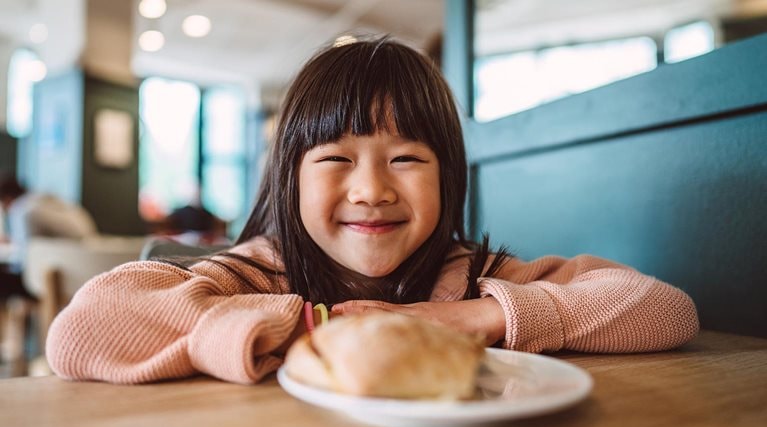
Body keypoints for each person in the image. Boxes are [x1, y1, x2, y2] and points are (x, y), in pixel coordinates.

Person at [45, 38, 699, 385]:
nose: (371, 189)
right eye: (335, 160)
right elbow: (81, 332)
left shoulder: (469, 273)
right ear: (288, 179)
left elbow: (665, 308)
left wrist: (464, 317)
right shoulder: (257, 270)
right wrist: (313, 326)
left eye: (406, 159)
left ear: (448, 175)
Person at [0, 176, 97, 302]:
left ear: (6, 199)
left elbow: (23, 257)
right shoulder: (52, 201)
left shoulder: (22, 210)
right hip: (85, 275)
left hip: (54, 282)